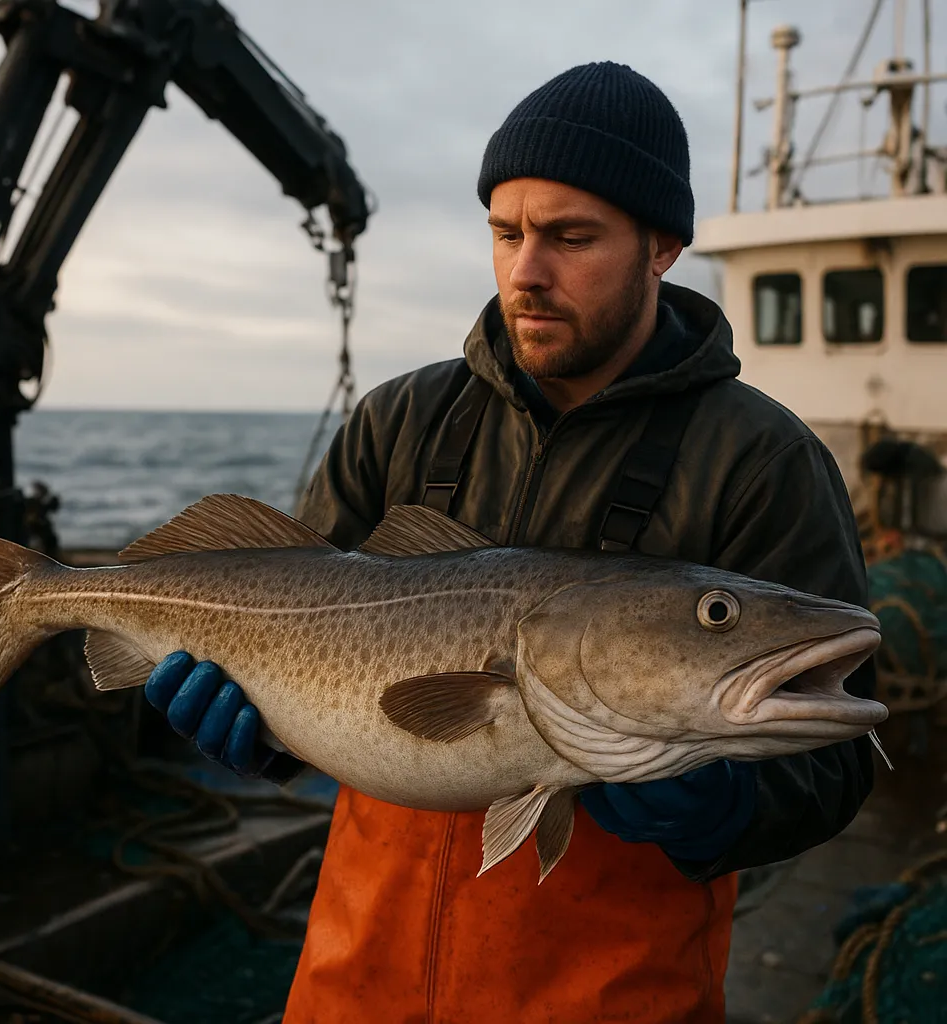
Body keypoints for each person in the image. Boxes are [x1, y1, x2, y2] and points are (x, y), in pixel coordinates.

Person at [143, 62, 875, 1022]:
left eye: (571, 237)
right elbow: (294, 615)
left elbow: (838, 757)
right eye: (506, 232)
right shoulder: (400, 419)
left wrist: (729, 807)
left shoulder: (762, 460)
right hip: (355, 984)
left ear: (662, 247)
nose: (527, 270)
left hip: (608, 999)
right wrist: (265, 737)